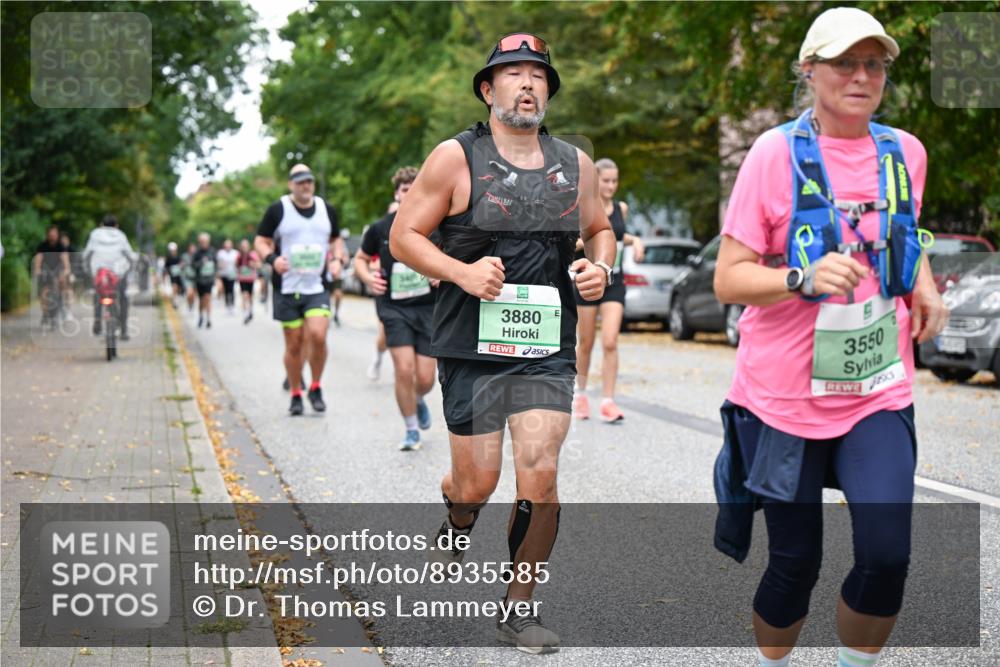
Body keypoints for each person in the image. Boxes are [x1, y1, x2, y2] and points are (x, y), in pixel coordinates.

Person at [711, 8, 948, 667]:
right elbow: (728, 280)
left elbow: (903, 232)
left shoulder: (905, 152)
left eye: (875, 64)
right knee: (794, 565)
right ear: (808, 71)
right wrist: (800, 275)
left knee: (886, 554)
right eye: (846, 62)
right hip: (782, 397)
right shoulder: (773, 154)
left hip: (876, 386)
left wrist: (922, 280)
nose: (862, 76)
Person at [390, 33, 615, 654]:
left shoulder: (576, 164)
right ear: (488, 91)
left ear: (548, 91)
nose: (527, 83)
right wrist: (461, 272)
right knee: (477, 483)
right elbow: (404, 236)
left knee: (539, 475)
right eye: (512, 74)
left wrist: (601, 268)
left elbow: (600, 230)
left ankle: (519, 606)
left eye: (538, 75)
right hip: (470, 344)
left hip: (546, 344)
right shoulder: (455, 158)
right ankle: (457, 516)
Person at [355, 166, 438, 450]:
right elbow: (360, 260)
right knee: (403, 370)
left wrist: (442, 273)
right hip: (394, 309)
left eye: (415, 187)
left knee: (426, 379)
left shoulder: (436, 225)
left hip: (429, 310)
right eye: (405, 189)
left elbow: (452, 260)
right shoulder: (380, 228)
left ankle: (416, 398)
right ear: (397, 194)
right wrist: (367, 278)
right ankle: (411, 429)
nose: (410, 193)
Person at [254, 163, 347, 416]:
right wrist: (272, 259)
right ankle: (296, 392)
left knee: (318, 335)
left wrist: (337, 259)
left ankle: (315, 386)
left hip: (317, 285)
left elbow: (336, 239)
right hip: (286, 288)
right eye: (300, 181)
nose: (305, 185)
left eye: (309, 181)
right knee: (294, 345)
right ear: (290, 184)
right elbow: (261, 241)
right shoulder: (278, 209)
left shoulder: (326, 209)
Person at [571, 158, 644, 422]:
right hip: (588, 280)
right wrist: (588, 243)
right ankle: (580, 395)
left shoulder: (621, 208)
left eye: (615, 181)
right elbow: (584, 237)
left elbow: (617, 234)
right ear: (596, 180)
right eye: (606, 180)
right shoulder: (586, 207)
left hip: (614, 280)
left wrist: (635, 240)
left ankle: (608, 401)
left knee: (610, 340)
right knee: (586, 343)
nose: (611, 185)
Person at [83, 215, 136, 339]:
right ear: (116, 226)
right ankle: (124, 331)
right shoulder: (121, 235)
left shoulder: (95, 234)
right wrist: (130, 269)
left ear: (101, 225)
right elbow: (130, 256)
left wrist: (87, 270)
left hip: (99, 274)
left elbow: (86, 255)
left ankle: (97, 322)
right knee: (123, 299)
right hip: (117, 275)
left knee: (98, 295)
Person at [33, 225, 70, 327]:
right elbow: (38, 259)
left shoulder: (60, 246)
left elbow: (65, 260)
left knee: (62, 285)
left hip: (57, 271)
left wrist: (66, 271)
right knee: (44, 292)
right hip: (46, 271)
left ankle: (62, 303)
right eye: (51, 234)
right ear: (48, 235)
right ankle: (45, 312)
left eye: (54, 234)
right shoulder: (43, 246)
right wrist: (38, 270)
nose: (52, 236)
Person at [191, 233, 217, 329]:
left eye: (205, 242)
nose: (203, 243)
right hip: (200, 280)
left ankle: (208, 318)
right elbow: (193, 265)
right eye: (202, 242)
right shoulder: (197, 253)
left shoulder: (212, 251)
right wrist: (201, 262)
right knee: (201, 300)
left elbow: (216, 263)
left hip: (209, 279)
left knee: (208, 298)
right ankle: (201, 315)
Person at [236, 239, 259, 324]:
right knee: (244, 295)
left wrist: (253, 264)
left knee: (250, 296)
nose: (244, 248)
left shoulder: (252, 254)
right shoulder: (239, 256)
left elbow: (258, 264)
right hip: (242, 279)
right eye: (243, 246)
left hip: (251, 279)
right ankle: (246, 313)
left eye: (246, 246)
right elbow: (236, 265)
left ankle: (250, 310)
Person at [216, 238, 239, 314]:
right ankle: (227, 305)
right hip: (224, 274)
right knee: (225, 290)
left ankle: (232, 305)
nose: (228, 246)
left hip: (232, 274)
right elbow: (219, 263)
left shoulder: (235, 253)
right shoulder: (221, 253)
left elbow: (238, 263)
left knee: (231, 289)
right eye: (226, 245)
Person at [181, 242, 198, 312]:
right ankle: (189, 305)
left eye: (194, 248)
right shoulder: (185, 256)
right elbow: (181, 265)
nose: (192, 250)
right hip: (187, 277)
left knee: (193, 295)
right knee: (189, 293)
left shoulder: (197, 256)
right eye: (191, 248)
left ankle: (192, 304)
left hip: (196, 278)